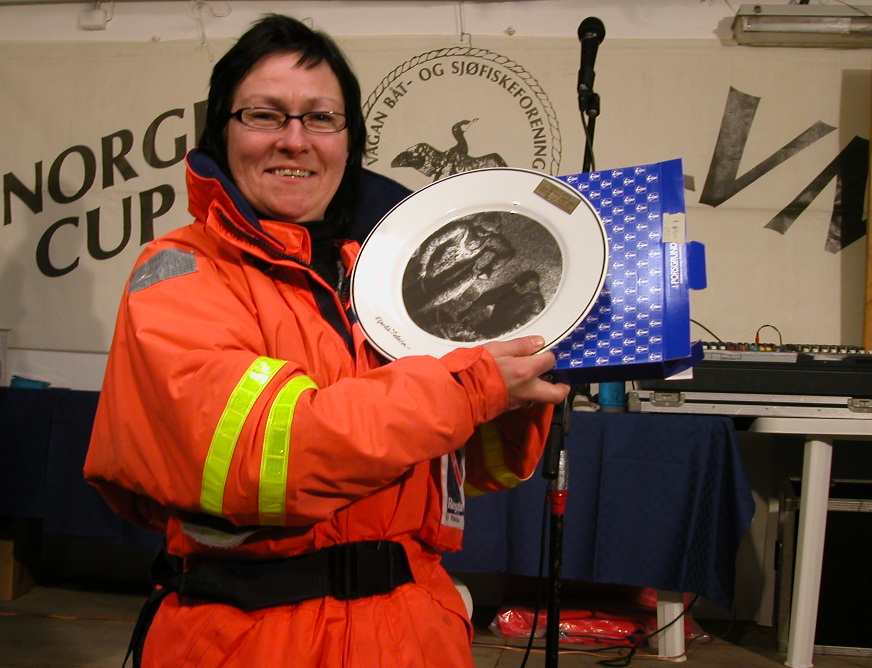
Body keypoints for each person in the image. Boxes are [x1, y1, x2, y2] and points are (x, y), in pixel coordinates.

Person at [84, 14, 569, 668]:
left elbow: (469, 466)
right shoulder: (181, 272)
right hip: (254, 639)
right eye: (264, 115)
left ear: (348, 141)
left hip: (416, 631)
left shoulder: (381, 278)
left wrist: (530, 375)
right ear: (222, 132)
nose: (294, 140)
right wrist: (471, 385)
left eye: (320, 119)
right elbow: (266, 459)